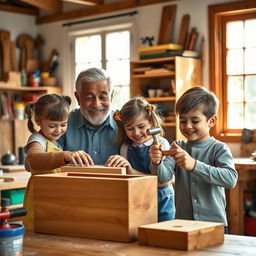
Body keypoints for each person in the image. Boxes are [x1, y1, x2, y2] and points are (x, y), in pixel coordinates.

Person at [149, 86, 238, 232]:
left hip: (214, 225)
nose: (188, 126)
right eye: (183, 121)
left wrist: (194, 165)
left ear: (211, 121)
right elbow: (163, 177)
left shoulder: (219, 148)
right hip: (183, 225)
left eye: (195, 121)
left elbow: (230, 179)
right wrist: (156, 162)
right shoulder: (177, 146)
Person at [23, 94, 90, 231]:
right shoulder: (37, 139)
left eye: (63, 125)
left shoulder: (56, 143)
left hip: (53, 196)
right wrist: (64, 155)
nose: (59, 130)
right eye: (52, 125)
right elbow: (33, 160)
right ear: (38, 120)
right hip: (39, 198)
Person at [105, 96, 175, 222]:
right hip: (138, 198)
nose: (136, 133)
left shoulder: (162, 144)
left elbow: (164, 181)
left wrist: (132, 172)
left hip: (162, 199)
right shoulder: (125, 148)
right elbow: (126, 177)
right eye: (130, 128)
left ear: (152, 123)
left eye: (141, 126)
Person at [58, 67, 120, 165]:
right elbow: (32, 164)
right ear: (78, 98)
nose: (96, 104)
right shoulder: (62, 123)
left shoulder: (126, 123)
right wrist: (64, 155)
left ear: (111, 96)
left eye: (103, 97)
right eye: (89, 98)